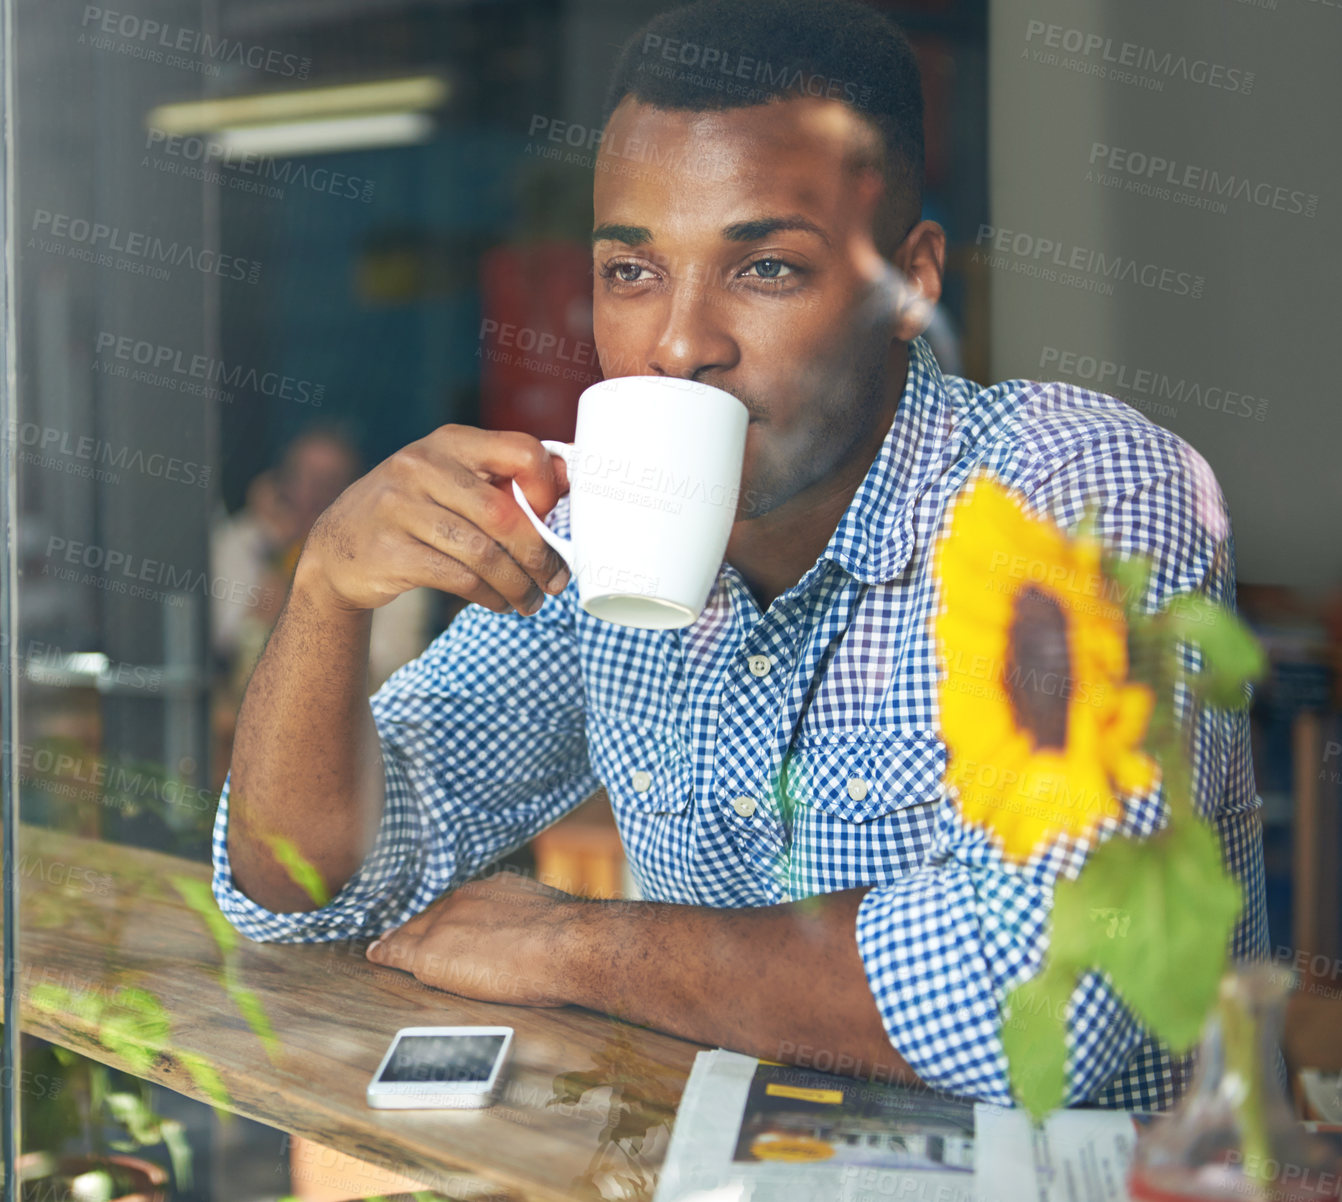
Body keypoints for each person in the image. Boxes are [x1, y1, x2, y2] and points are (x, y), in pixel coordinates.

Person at [212, 0, 1266, 1111]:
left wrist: (581, 945)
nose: (678, 344)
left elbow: (1047, 992)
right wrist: (327, 589)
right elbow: (309, 885)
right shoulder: (609, 528)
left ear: (910, 282)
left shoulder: (1079, 494)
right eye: (632, 272)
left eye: (764, 268)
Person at [210, 426, 431, 697]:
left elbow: (389, 663)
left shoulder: (396, 558)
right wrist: (281, 558)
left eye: (328, 482)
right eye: (301, 478)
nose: (312, 495)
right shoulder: (243, 542)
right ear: (280, 484)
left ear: (354, 492)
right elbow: (227, 644)